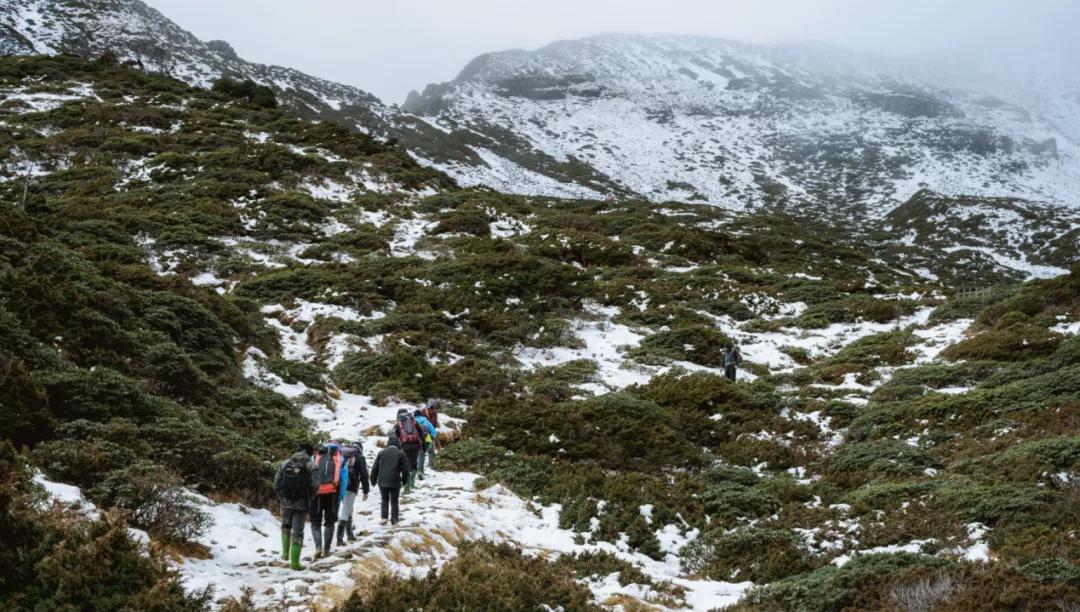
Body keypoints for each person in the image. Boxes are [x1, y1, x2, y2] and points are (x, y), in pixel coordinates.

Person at [274, 442, 315, 570]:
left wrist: (282, 496)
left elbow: (276, 484)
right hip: (302, 504)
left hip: (286, 502)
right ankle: (295, 563)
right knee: (298, 532)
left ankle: (285, 554)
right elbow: (316, 484)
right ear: (309, 453)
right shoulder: (311, 465)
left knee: (285, 526)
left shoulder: (285, 463)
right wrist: (310, 497)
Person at [310, 442, 347, 559]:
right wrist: (340, 497)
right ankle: (326, 550)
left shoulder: (315, 457)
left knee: (315, 522)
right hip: (332, 493)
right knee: (329, 522)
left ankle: (318, 547)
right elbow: (344, 480)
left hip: (317, 493)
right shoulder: (339, 459)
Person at [370, 435, 409, 525]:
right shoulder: (400, 453)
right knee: (394, 501)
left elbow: (375, 468)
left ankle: (384, 518)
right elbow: (405, 469)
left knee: (384, 499)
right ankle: (394, 519)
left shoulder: (381, 453)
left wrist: (373, 480)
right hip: (395, 480)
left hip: (382, 480)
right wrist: (404, 480)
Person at [336, 442, 370, 546]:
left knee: (348, 508)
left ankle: (350, 534)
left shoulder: (342, 455)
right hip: (351, 487)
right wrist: (365, 490)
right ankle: (339, 539)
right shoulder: (360, 458)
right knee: (346, 510)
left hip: (338, 486)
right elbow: (364, 474)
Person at [392, 409, 423, 494]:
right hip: (415, 446)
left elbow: (394, 438)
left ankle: (407, 488)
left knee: (406, 466)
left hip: (405, 447)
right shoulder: (415, 422)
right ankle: (412, 484)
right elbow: (421, 433)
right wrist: (422, 445)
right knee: (414, 464)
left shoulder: (398, 425)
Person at [413, 409, 437, 479]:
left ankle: (413, 472)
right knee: (421, 455)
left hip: (415, 440)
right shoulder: (425, 421)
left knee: (414, 456)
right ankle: (420, 471)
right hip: (426, 440)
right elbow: (434, 432)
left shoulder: (412, 422)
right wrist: (431, 438)